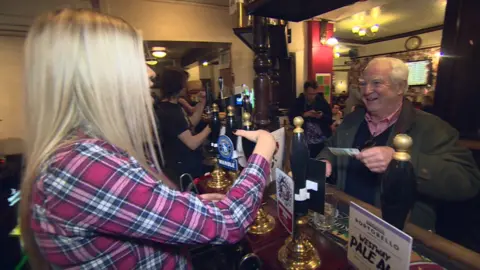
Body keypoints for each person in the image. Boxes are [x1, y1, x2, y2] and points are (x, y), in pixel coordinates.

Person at [19, 9, 277, 269]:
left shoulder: (86, 152)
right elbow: (229, 223)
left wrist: (191, 206)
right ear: (95, 77)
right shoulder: (85, 166)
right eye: (134, 59)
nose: (151, 72)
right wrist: (263, 150)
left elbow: (127, 212)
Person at [317, 57, 480, 231]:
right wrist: (325, 160)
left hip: (396, 235)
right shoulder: (352, 120)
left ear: (400, 87)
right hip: (346, 223)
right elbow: (331, 147)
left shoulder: (432, 128)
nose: (367, 91)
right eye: (363, 84)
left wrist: (401, 162)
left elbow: (467, 182)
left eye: (377, 83)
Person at [155, 67, 211, 181]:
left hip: (180, 161)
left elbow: (190, 124)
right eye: (184, 83)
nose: (186, 86)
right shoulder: (170, 112)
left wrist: (202, 103)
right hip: (181, 165)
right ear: (177, 86)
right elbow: (192, 143)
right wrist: (211, 126)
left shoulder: (172, 106)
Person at [289, 81, 333, 157]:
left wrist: (321, 116)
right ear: (305, 92)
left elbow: (329, 120)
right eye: (310, 94)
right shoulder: (298, 103)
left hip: (321, 139)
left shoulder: (322, 102)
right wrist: (304, 115)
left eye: (314, 94)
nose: (312, 96)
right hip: (305, 139)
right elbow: (292, 120)